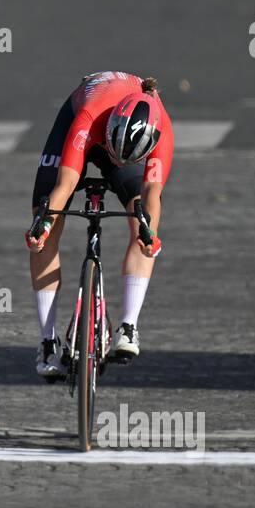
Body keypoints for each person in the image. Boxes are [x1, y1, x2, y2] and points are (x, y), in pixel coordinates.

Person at [25, 72, 172, 374]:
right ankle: (47, 341)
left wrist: (150, 234)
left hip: (119, 138)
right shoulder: (91, 114)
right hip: (83, 126)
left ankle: (129, 326)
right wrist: (42, 227)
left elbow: (152, 192)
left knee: (142, 223)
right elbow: (65, 185)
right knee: (46, 226)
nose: (117, 163)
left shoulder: (162, 128)